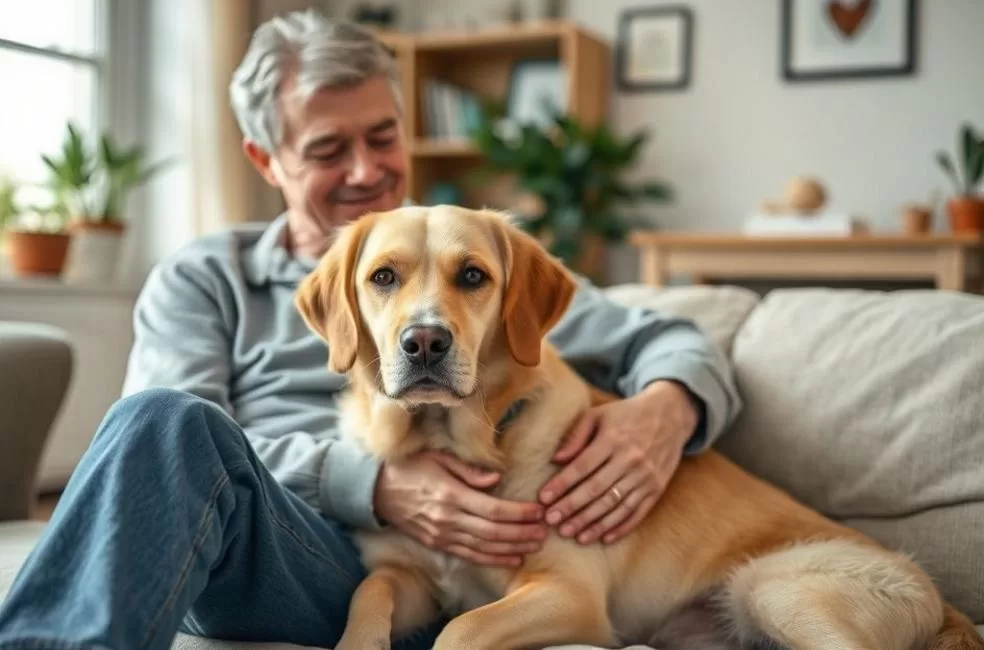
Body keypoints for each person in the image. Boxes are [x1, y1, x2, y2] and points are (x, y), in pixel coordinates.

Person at [0, 9, 741, 650]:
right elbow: (173, 460)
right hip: (285, 544)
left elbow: (669, 341)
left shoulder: (466, 256)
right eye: (327, 149)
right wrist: (371, 484)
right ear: (267, 159)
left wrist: (665, 411)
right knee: (159, 418)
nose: (366, 171)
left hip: (435, 580)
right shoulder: (203, 277)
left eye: (382, 137)